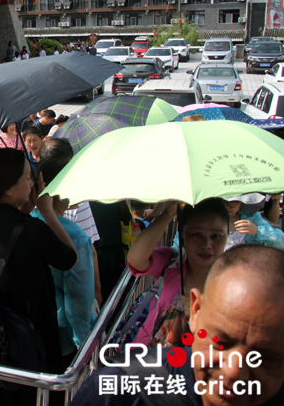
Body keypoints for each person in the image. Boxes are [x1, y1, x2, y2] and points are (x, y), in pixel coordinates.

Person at [72, 245, 284, 406]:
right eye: (221, 342)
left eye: (263, 357)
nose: (234, 372)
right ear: (196, 311)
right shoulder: (117, 388)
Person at [0, 148, 78, 404]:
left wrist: (24, 211)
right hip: (31, 331)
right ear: (8, 188)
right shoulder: (31, 228)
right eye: (28, 177)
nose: (32, 183)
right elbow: (69, 259)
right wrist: (47, 211)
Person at [126, 199, 230, 348]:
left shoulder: (237, 278)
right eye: (197, 235)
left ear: (228, 234)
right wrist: (167, 215)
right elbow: (136, 259)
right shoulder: (170, 261)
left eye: (216, 236)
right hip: (152, 363)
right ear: (182, 234)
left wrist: (202, 314)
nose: (207, 245)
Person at [32, 139, 96, 365]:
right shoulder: (75, 237)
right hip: (63, 336)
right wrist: (84, 342)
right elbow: (79, 299)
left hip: (31, 330)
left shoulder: (28, 222)